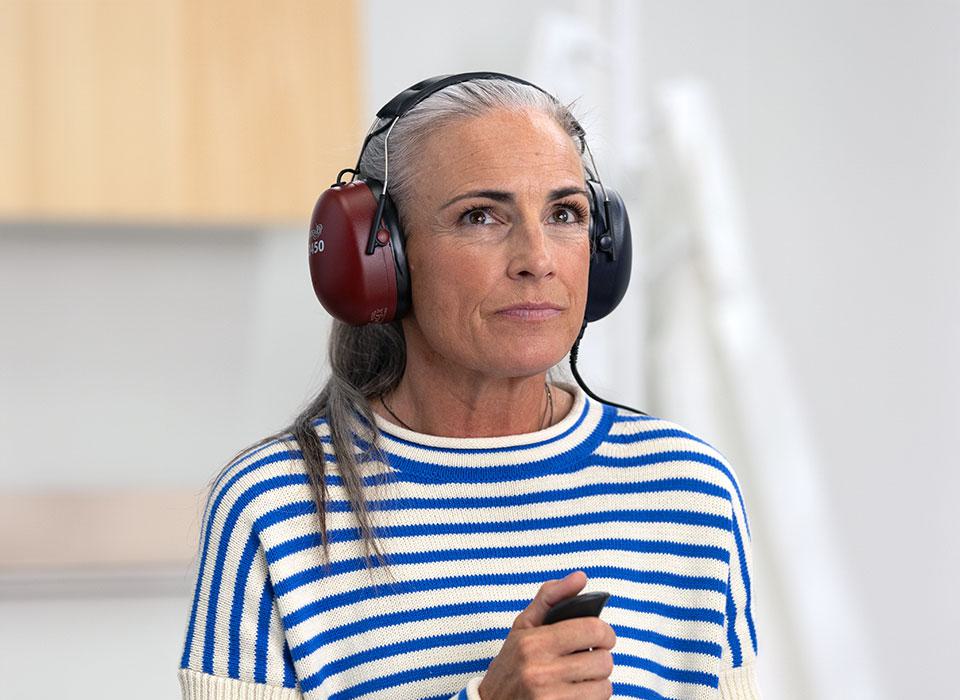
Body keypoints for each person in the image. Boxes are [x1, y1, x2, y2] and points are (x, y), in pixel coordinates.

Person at [178, 73, 760, 700]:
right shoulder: (274, 508)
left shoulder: (691, 492)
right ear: (381, 259)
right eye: (480, 216)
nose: (538, 259)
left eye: (565, 214)